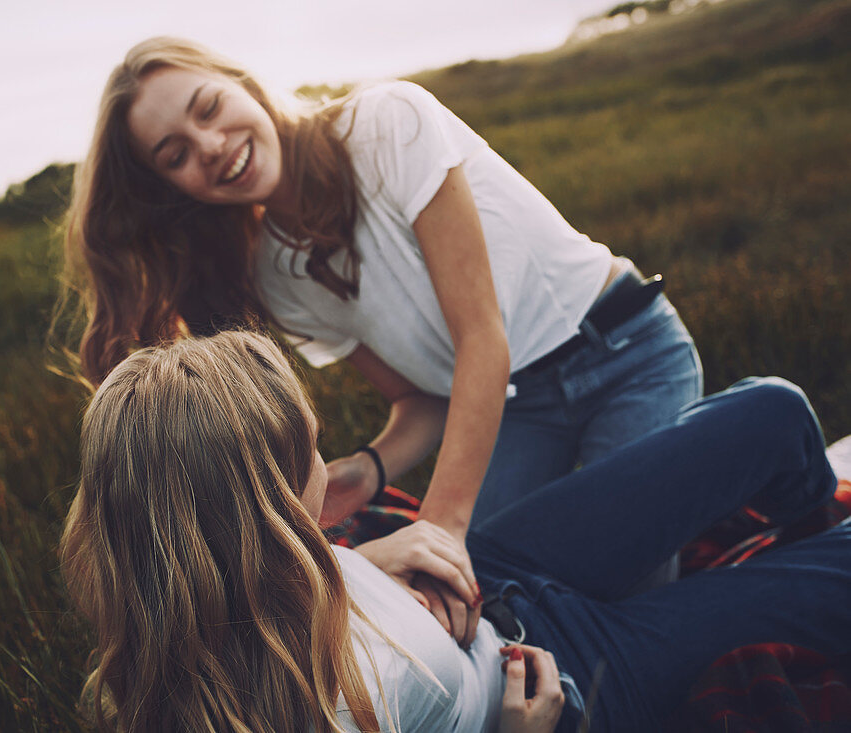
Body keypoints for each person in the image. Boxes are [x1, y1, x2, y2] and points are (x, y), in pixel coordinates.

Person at [59, 36, 704, 625]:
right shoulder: (278, 277)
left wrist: (443, 527)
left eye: (208, 108)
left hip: (627, 353)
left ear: (244, 84)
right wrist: (369, 468)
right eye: (176, 156)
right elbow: (423, 399)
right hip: (521, 407)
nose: (211, 145)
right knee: (506, 601)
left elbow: (482, 339)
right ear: (171, 188)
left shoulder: (388, 123)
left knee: (624, 582)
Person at [60, 331, 846, 732]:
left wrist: (364, 556)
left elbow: (294, 590)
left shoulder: (223, 579)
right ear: (258, 508)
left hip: (497, 569)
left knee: (772, 412)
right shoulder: (324, 713)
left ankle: (799, 518)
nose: (325, 472)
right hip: (558, 669)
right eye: (309, 454)